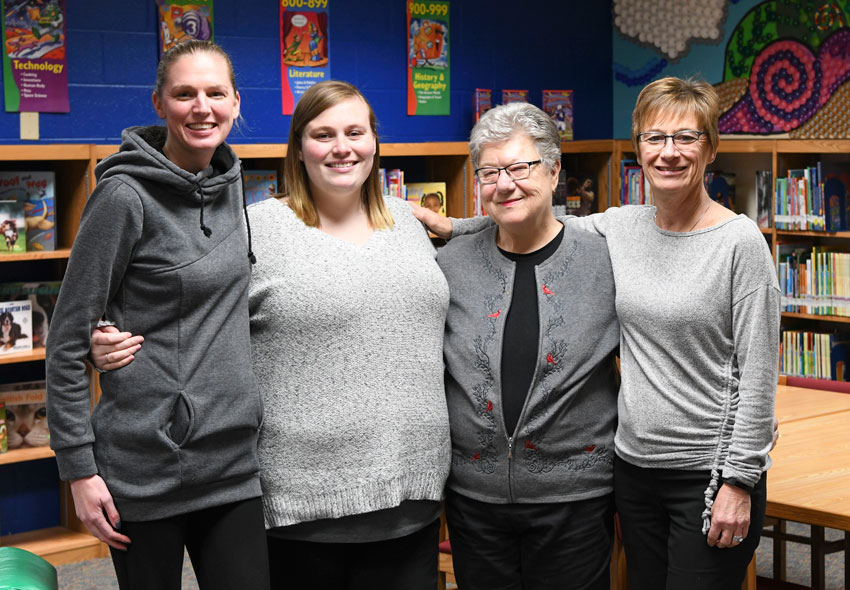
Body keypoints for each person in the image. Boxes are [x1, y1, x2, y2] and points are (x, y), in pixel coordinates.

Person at [417, 77, 780, 589]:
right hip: (633, 469)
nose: (668, 152)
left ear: (711, 148)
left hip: (707, 470)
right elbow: (533, 217)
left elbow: (761, 377)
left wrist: (740, 480)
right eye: (655, 138)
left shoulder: (739, 242)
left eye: (686, 138)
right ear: (638, 150)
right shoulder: (623, 228)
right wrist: (455, 227)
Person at [92, 80, 451, 590]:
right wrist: (101, 340)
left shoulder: (410, 223)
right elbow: (180, 309)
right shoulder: (254, 227)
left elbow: (513, 231)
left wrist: (459, 227)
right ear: (299, 149)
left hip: (413, 495)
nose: (342, 147)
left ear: (375, 141)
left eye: (355, 131)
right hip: (300, 506)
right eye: (323, 134)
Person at [45, 40, 270, 590]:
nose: (202, 107)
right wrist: (78, 469)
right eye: (184, 94)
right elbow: (69, 339)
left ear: (236, 102)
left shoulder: (233, 183)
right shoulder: (123, 196)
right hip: (146, 464)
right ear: (159, 103)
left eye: (215, 93)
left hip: (232, 461)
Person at [437, 102, 620, 590]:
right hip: (474, 500)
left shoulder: (608, 259)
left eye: (520, 167)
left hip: (575, 498)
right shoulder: (448, 263)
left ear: (555, 170)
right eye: (490, 172)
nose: (505, 183)